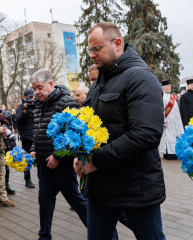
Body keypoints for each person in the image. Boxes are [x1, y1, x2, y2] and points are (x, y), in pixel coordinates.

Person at [74, 22, 165, 240]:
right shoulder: (100, 82)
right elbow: (90, 126)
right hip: (101, 188)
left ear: (117, 43)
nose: (93, 55)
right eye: (90, 50)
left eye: (97, 49)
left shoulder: (140, 77)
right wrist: (80, 155)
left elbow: (146, 134)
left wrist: (96, 161)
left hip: (135, 188)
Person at [30, 69, 87, 240]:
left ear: (50, 84)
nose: (36, 92)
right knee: (45, 203)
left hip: (61, 166)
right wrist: (34, 148)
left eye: (39, 87)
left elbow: (75, 135)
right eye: (34, 88)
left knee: (77, 202)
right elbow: (38, 130)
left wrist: (57, 156)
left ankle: (101, 233)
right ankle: (44, 236)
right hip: (43, 164)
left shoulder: (67, 103)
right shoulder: (40, 104)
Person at [158, 79, 184, 160]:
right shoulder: (161, 96)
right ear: (164, 87)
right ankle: (168, 153)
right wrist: (163, 120)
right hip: (167, 120)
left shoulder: (171, 96)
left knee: (174, 137)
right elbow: (161, 110)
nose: (170, 87)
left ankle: (174, 152)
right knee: (168, 137)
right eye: (168, 86)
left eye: (170, 86)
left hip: (175, 121)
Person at [15, 89, 36, 188]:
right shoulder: (20, 107)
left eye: (32, 97)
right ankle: (27, 179)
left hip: (36, 136)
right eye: (29, 97)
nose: (31, 99)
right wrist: (25, 110)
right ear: (24, 97)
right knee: (26, 159)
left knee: (39, 157)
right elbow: (18, 120)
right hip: (26, 137)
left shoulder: (36, 105)